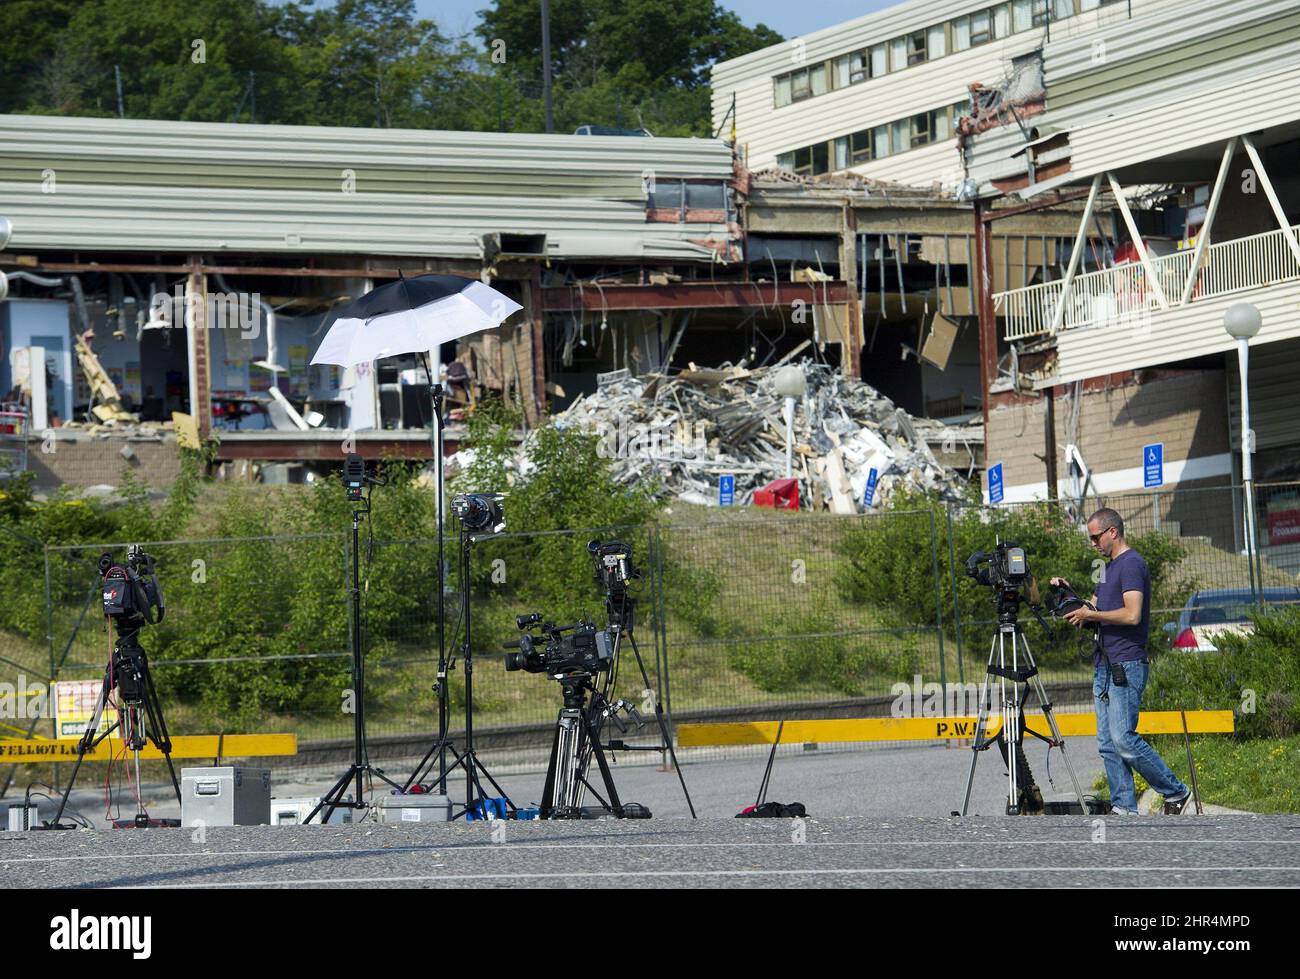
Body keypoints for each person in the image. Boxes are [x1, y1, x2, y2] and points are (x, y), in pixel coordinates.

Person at [1052, 508, 1192, 816]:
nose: (1092, 544)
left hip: (1126, 664)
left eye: (1095, 537)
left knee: (1124, 738)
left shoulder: (1131, 564)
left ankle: (1176, 791)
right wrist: (1069, 595)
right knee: (1106, 743)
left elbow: (1132, 614)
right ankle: (1124, 806)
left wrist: (1092, 614)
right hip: (1104, 664)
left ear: (1112, 532)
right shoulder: (1106, 568)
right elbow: (1095, 607)